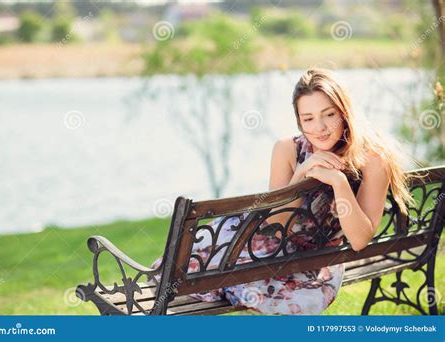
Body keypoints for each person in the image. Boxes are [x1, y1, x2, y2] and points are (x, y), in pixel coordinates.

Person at [150, 68, 414, 315]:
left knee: (240, 282)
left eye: (329, 114)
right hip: (259, 241)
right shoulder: (287, 149)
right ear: (298, 121)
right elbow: (274, 226)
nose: (319, 127)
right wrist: (300, 175)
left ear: (345, 112)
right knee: (183, 269)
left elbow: (359, 240)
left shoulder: (373, 158)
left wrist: (340, 183)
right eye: (308, 118)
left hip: (313, 262)